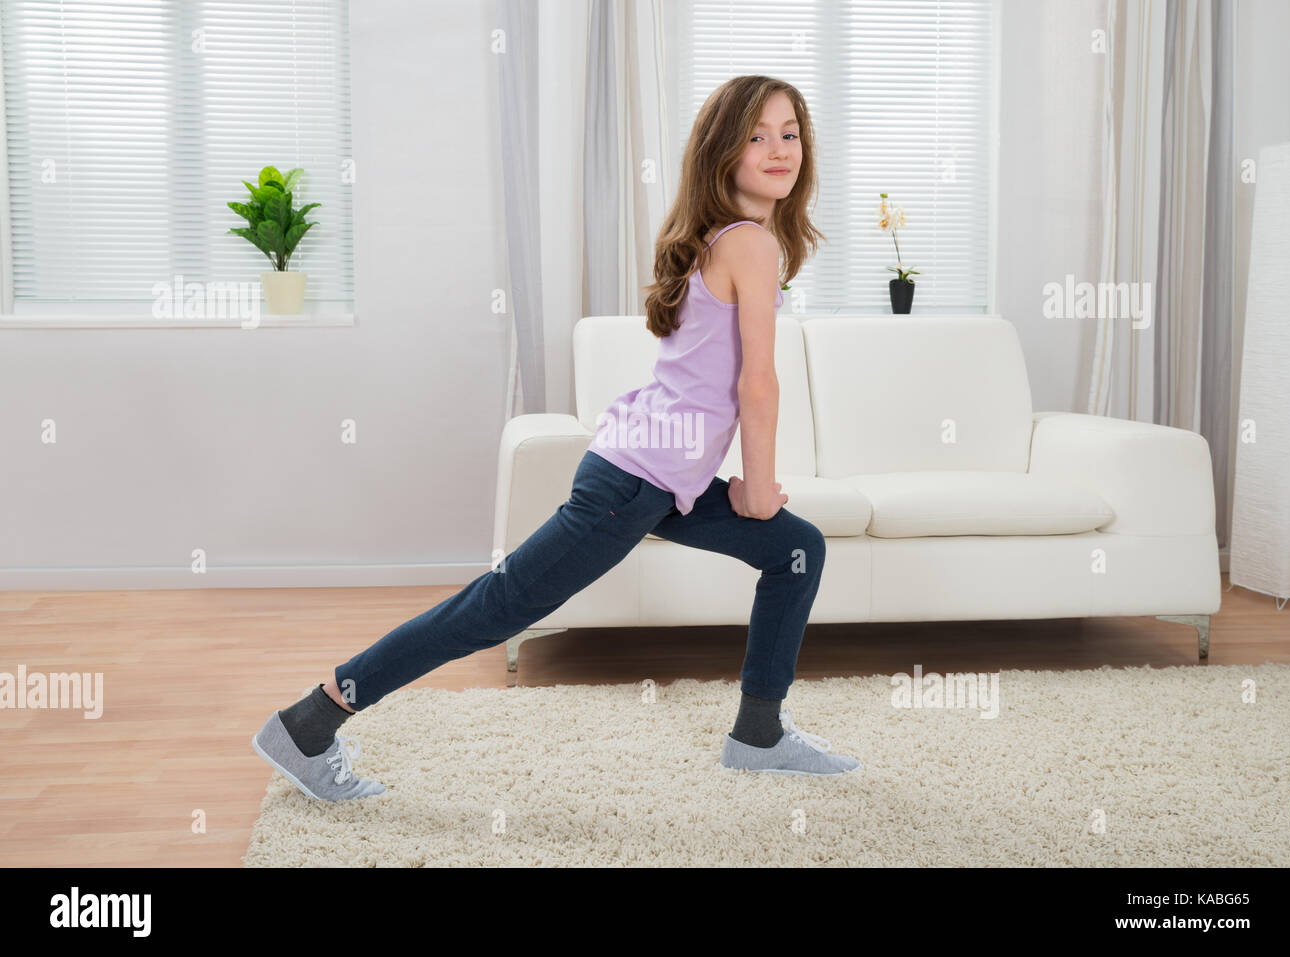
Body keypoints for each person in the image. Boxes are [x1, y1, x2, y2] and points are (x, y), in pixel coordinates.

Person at [252, 75, 860, 801]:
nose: (778, 149)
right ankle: (309, 722)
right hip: (631, 484)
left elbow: (701, 386)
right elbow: (755, 384)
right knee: (498, 606)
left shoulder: (726, 239)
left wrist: (718, 482)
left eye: (789, 133)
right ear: (722, 151)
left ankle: (759, 733)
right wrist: (757, 488)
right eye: (757, 135)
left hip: (658, 480)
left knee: (796, 549)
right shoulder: (750, 245)